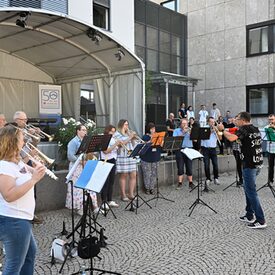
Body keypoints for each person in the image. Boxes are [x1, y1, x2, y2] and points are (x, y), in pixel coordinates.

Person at [0, 125, 46, 274]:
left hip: (22, 219)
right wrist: (33, 180)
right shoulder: (4, 166)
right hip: (14, 220)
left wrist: (39, 168)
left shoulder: (17, 162)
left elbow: (34, 173)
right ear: (13, 141)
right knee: (13, 266)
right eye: (21, 138)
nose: (24, 140)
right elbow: (9, 195)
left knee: (29, 255)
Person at [220, 111, 267, 229]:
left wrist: (222, 130)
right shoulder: (255, 129)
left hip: (249, 165)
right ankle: (249, 214)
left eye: (238, 119)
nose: (236, 121)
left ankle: (261, 220)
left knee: (251, 192)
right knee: (247, 189)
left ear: (243, 120)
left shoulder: (244, 129)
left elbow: (231, 138)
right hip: (257, 163)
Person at [66, 124, 101, 215]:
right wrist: (81, 162)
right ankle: (79, 208)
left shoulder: (86, 141)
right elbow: (70, 156)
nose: (85, 132)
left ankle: (94, 206)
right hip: (76, 166)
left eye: (86, 130)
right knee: (78, 188)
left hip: (85, 164)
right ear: (78, 131)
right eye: (83, 130)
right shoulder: (73, 142)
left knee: (89, 185)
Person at [114, 119, 137, 201]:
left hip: (131, 154)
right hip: (123, 156)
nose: (127, 126)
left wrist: (133, 139)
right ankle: (123, 194)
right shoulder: (117, 134)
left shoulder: (129, 133)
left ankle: (131, 193)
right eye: (125, 124)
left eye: (127, 124)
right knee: (124, 175)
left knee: (133, 174)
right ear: (121, 125)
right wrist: (130, 137)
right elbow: (120, 144)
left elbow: (134, 145)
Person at [100, 125, 121, 208]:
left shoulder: (113, 139)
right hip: (105, 160)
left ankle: (110, 200)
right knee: (106, 182)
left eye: (114, 131)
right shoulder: (103, 139)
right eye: (111, 131)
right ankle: (103, 201)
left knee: (111, 181)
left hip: (113, 160)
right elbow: (105, 151)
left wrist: (119, 146)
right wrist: (115, 144)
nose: (113, 133)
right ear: (107, 131)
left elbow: (117, 152)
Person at [173, 119, 195, 190]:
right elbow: (175, 140)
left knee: (189, 166)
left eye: (186, 124)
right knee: (180, 166)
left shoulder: (190, 130)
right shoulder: (176, 130)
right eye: (183, 124)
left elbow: (195, 140)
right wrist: (183, 132)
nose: (185, 125)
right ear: (180, 124)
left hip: (189, 149)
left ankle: (190, 183)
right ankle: (180, 183)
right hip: (180, 149)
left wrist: (191, 132)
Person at [201, 117, 221, 190]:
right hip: (205, 149)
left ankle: (216, 178)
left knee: (215, 164)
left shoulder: (216, 128)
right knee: (206, 165)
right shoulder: (204, 128)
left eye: (213, 122)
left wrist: (217, 131)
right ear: (208, 122)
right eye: (211, 122)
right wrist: (210, 132)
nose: (212, 123)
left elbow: (220, 138)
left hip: (213, 149)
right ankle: (208, 178)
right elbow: (203, 137)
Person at [140, 123, 161, 194]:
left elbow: (161, 145)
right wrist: (151, 138)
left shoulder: (158, 136)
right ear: (148, 129)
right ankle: (147, 188)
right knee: (147, 173)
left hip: (156, 157)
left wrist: (161, 140)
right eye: (151, 129)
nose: (153, 130)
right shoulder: (145, 137)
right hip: (146, 158)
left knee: (154, 173)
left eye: (154, 128)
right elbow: (144, 146)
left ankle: (152, 188)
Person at [265, 114, 275, 184]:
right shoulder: (267, 127)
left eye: (272, 119)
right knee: (270, 166)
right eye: (269, 119)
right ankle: (270, 180)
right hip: (270, 149)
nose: (271, 121)